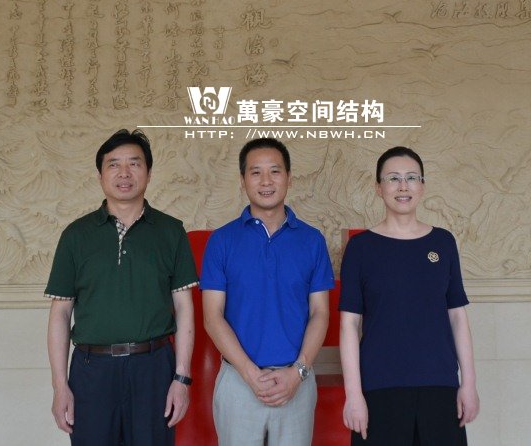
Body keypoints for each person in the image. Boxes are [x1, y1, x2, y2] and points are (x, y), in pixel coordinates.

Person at [45, 129, 198, 446]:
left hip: (153, 369)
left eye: (134, 163)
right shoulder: (76, 235)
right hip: (92, 371)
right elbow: (60, 313)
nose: (124, 173)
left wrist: (181, 379)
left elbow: (184, 307)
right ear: (100, 175)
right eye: (114, 164)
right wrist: (60, 386)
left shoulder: (171, 232)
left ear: (149, 173)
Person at [340, 146, 479, 445]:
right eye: (393, 178)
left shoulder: (443, 242)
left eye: (411, 178)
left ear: (422, 186)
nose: (403, 186)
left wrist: (468, 383)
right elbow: (349, 324)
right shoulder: (361, 248)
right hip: (379, 388)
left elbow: (457, 316)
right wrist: (353, 395)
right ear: (379, 188)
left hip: (440, 384)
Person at [200, 137, 335, 446]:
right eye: (255, 172)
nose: (266, 181)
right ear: (242, 180)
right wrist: (250, 374)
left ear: (289, 177)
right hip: (238, 380)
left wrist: (298, 372)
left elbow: (320, 313)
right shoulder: (222, 241)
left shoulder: (312, 241)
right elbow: (212, 317)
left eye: (275, 171)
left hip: (296, 379)